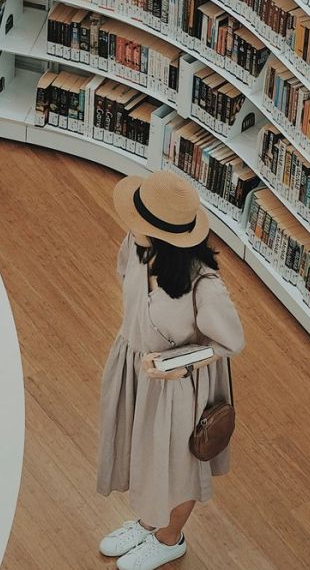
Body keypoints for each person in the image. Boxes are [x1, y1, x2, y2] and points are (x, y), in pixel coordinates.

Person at [97, 170, 246, 570]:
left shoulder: (206, 288)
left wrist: (177, 362)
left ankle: (169, 538)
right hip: (135, 367)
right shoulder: (136, 245)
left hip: (179, 388)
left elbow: (231, 342)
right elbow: (124, 279)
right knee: (147, 455)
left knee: (178, 467)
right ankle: (149, 523)